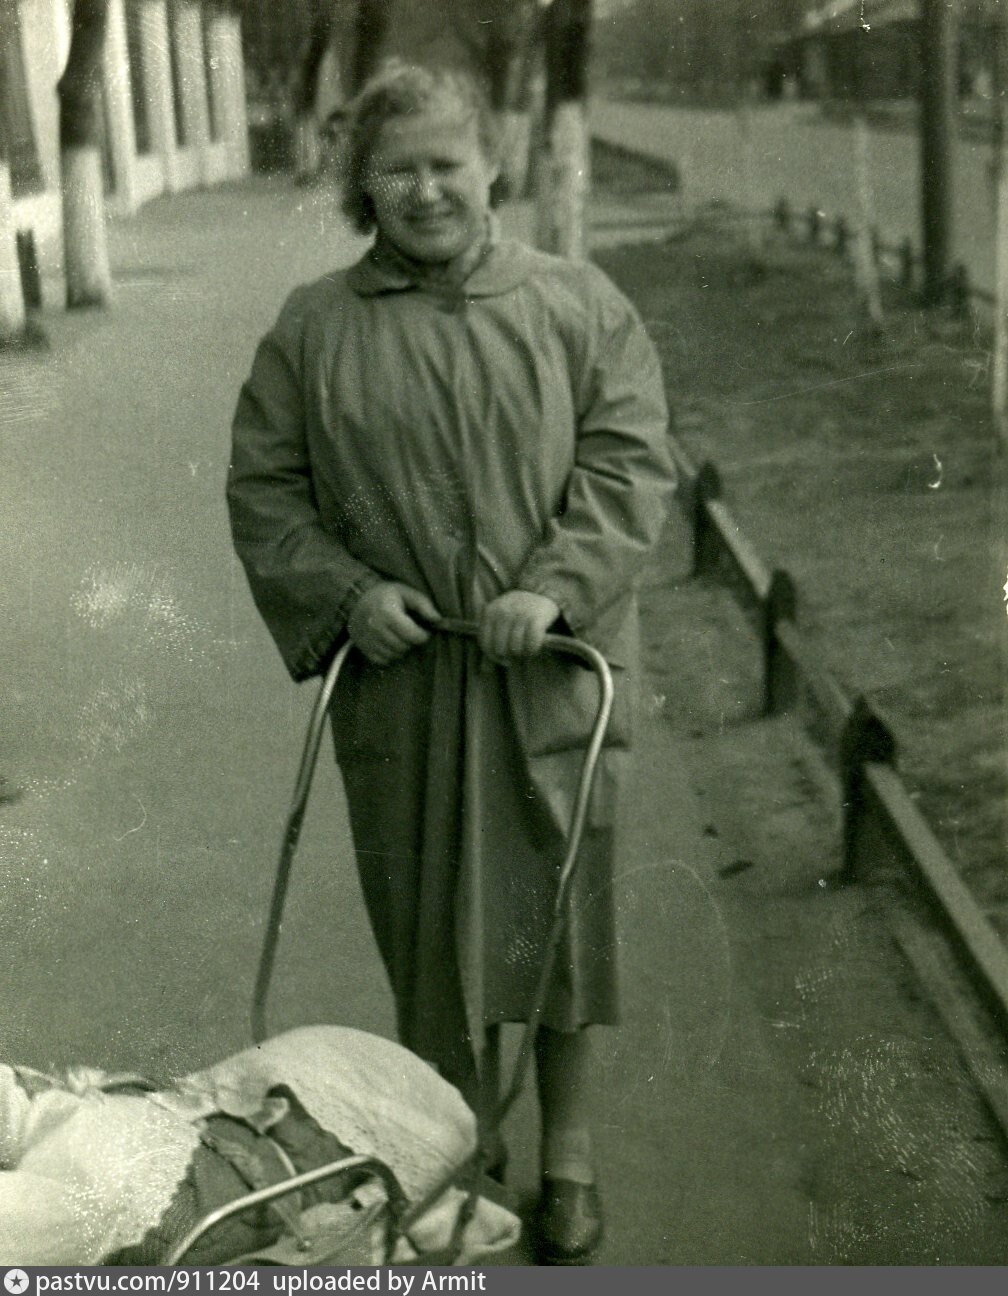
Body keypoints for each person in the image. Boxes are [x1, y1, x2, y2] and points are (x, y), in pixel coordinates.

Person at [227, 61, 675, 1264]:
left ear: (494, 166)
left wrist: (555, 586)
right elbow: (266, 491)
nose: (426, 189)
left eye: (447, 163)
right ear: (363, 185)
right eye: (398, 170)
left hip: (550, 675)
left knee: (558, 924)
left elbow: (631, 461)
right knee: (428, 935)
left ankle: (568, 1159)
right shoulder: (313, 329)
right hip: (406, 680)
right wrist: (348, 594)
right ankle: (459, 1148)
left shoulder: (579, 305)